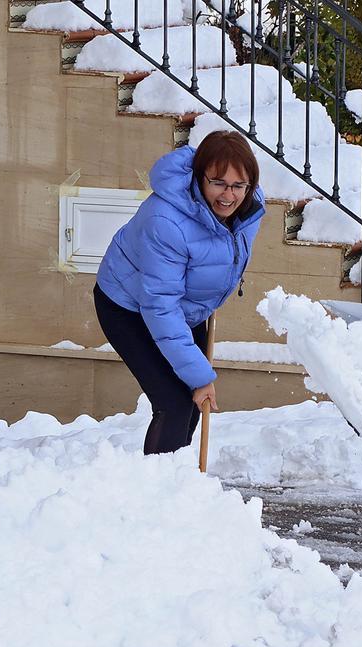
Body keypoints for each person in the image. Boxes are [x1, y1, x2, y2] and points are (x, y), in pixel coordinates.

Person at [94, 130, 264, 455]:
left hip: (187, 307)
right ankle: (157, 493)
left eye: (238, 186)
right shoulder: (165, 221)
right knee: (174, 402)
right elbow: (160, 306)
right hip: (129, 306)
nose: (228, 195)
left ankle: (179, 484)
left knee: (193, 401)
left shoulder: (250, 207)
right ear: (200, 177)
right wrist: (200, 377)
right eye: (218, 183)